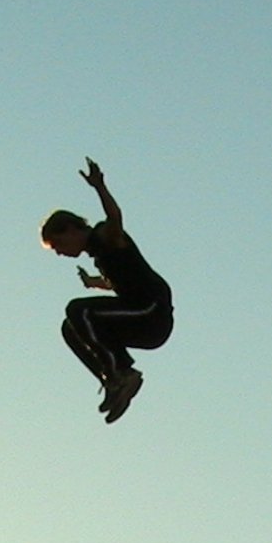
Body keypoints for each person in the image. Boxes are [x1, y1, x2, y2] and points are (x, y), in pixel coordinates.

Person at [40, 159, 174, 423]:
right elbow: (121, 282)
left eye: (58, 245)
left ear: (70, 229)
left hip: (151, 311)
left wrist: (100, 187)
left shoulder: (105, 235)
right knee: (70, 328)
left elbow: (115, 218)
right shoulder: (100, 255)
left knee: (78, 310)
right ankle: (114, 381)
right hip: (140, 319)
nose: (59, 253)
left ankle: (122, 372)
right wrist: (96, 283)